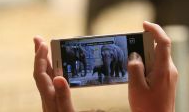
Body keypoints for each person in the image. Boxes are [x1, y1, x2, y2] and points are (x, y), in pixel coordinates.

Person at [33, 21, 178, 112]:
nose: (105, 58)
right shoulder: (103, 59)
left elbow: (116, 66)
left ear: (114, 54)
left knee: (117, 70)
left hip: (118, 62)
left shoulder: (118, 54)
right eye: (104, 56)